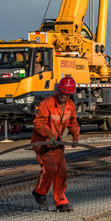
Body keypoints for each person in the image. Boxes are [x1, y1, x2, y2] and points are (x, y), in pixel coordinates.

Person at [31, 75, 80, 212]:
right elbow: (38, 123)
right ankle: (39, 192)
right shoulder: (48, 103)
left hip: (57, 143)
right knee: (50, 168)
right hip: (42, 144)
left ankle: (61, 202)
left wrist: (75, 137)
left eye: (67, 93)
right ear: (58, 90)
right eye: (62, 92)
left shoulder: (70, 106)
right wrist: (49, 135)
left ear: (71, 94)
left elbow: (73, 123)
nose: (63, 95)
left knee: (61, 172)